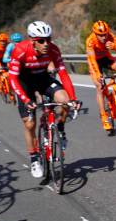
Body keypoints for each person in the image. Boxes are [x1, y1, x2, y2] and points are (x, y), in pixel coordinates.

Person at [8, 21, 81, 178]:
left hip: (42, 79)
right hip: (24, 82)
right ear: (33, 40)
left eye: (48, 39)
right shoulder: (20, 50)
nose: (46, 43)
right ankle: (34, 158)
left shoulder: (53, 50)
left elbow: (63, 74)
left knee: (65, 100)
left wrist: (73, 98)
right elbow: (12, 78)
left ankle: (60, 129)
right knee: (30, 123)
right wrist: (26, 100)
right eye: (41, 40)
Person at [85, 20, 116, 132]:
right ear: (95, 34)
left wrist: (115, 47)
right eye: (100, 35)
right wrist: (98, 75)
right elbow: (92, 60)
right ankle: (103, 115)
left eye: (105, 34)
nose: (103, 37)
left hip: (106, 59)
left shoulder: (111, 37)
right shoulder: (90, 41)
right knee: (99, 86)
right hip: (94, 63)